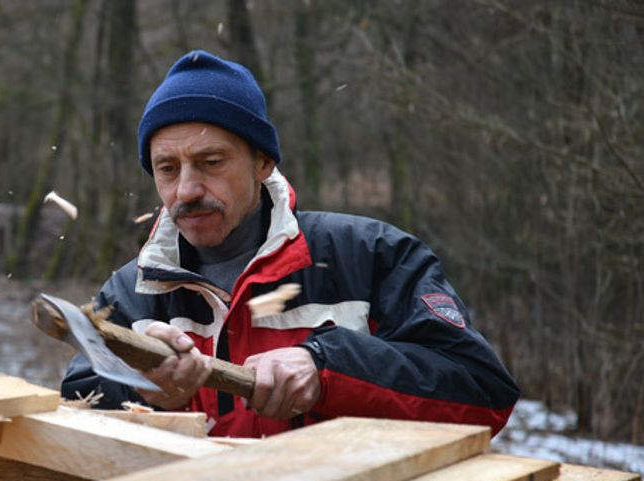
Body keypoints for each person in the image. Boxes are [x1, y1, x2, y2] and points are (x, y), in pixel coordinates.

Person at [61, 50, 519, 438]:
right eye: (167, 169)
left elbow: (482, 394)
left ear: (262, 162)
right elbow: (75, 414)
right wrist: (138, 385)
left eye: (211, 162)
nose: (186, 190)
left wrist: (327, 368)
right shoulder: (130, 293)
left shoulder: (371, 256)